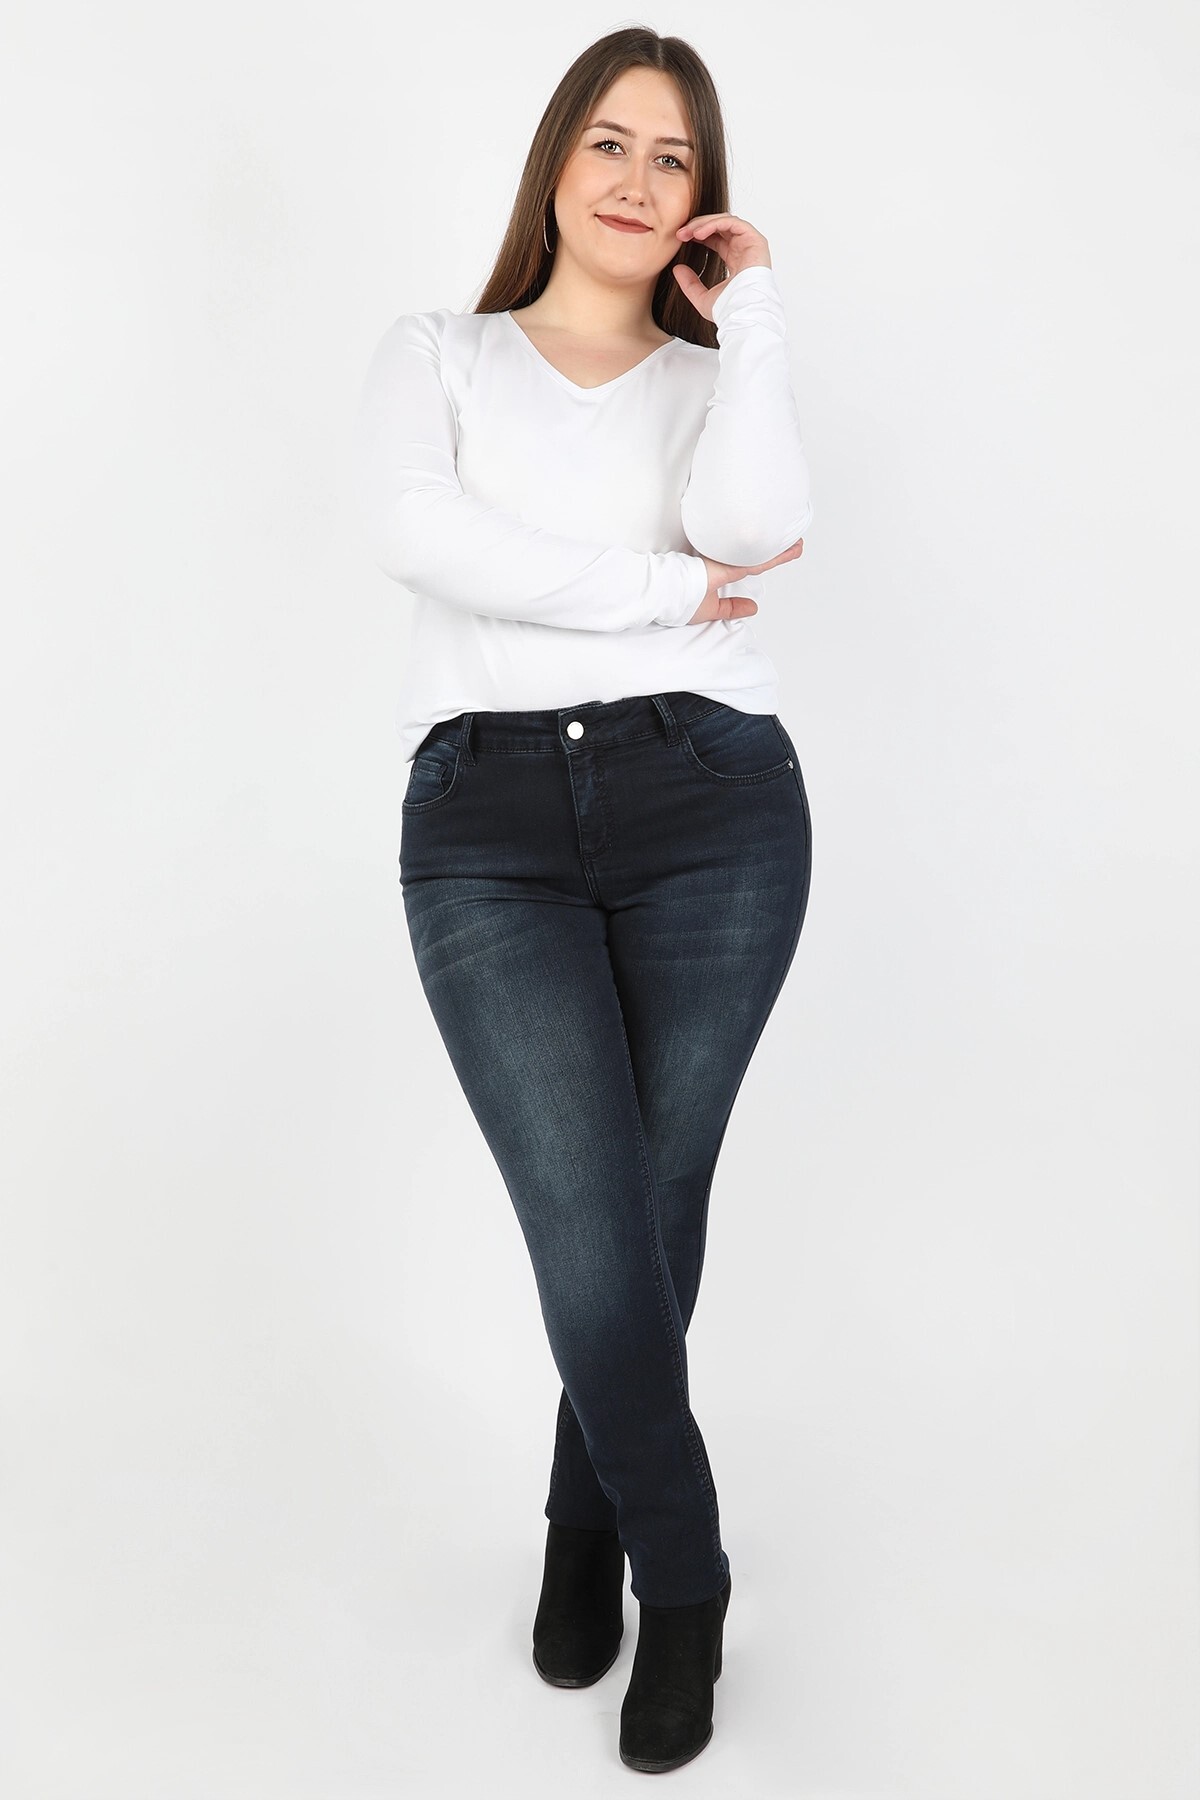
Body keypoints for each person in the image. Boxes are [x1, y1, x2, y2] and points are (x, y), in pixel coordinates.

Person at [351, 25, 813, 1776]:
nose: (635, 178)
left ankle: (580, 1521)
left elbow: (756, 521)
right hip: (485, 820)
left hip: (716, 805)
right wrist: (662, 592)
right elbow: (422, 535)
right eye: (609, 141)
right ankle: (683, 1571)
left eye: (672, 157)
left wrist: (754, 315)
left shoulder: (709, 380)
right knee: (589, 1221)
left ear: (703, 198)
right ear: (557, 158)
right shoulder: (439, 354)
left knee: (651, 1205)